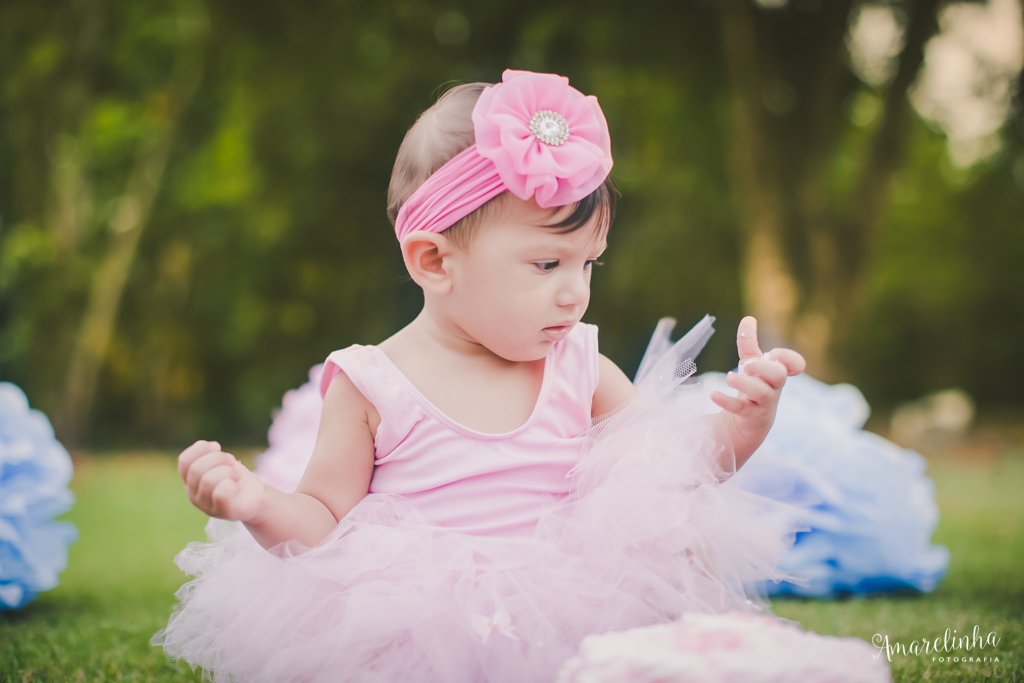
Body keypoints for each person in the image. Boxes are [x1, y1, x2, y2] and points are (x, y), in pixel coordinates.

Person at [152, 70, 880, 683]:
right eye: (546, 264)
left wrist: (744, 422)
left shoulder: (578, 367)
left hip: (577, 609)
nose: (575, 292)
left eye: (587, 264)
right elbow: (320, 523)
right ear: (434, 261)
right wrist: (256, 504)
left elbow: (676, 471)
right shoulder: (373, 384)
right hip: (419, 631)